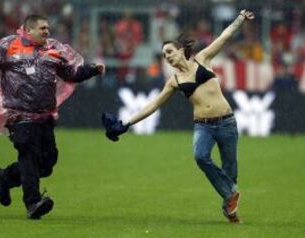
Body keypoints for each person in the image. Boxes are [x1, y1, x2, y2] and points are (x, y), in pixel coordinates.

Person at [102, 10, 255, 223]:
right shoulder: (174, 81)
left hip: (227, 122)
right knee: (200, 156)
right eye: (165, 55)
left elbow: (223, 37)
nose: (167, 57)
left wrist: (240, 19)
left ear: (181, 50)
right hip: (203, 125)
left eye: (170, 52)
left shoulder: (203, 59)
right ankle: (230, 194)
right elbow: (153, 104)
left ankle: (229, 207)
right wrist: (125, 123)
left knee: (230, 170)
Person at [0, 15, 105, 219]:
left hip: (44, 116)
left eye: (48, 27)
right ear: (28, 30)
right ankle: (33, 203)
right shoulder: (9, 46)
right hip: (18, 116)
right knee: (29, 156)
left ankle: (5, 177)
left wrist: (91, 70)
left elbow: (70, 74)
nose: (47, 31)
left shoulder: (53, 50)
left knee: (46, 163)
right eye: (42, 28)